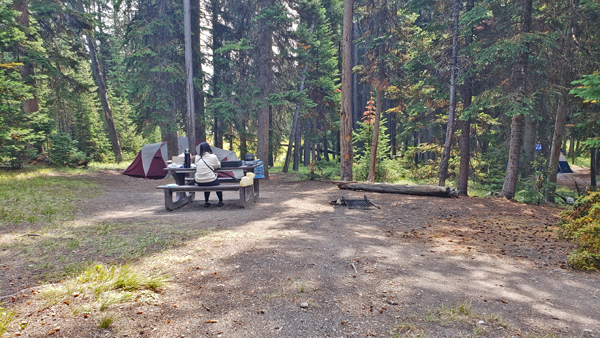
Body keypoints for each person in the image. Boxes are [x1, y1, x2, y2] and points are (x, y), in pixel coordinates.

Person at [194, 142, 223, 207]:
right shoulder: (213, 156)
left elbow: (196, 165)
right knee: (216, 184)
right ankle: (220, 201)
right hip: (211, 180)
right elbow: (218, 166)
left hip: (199, 181)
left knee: (206, 180)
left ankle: (206, 201)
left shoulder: (197, 157)